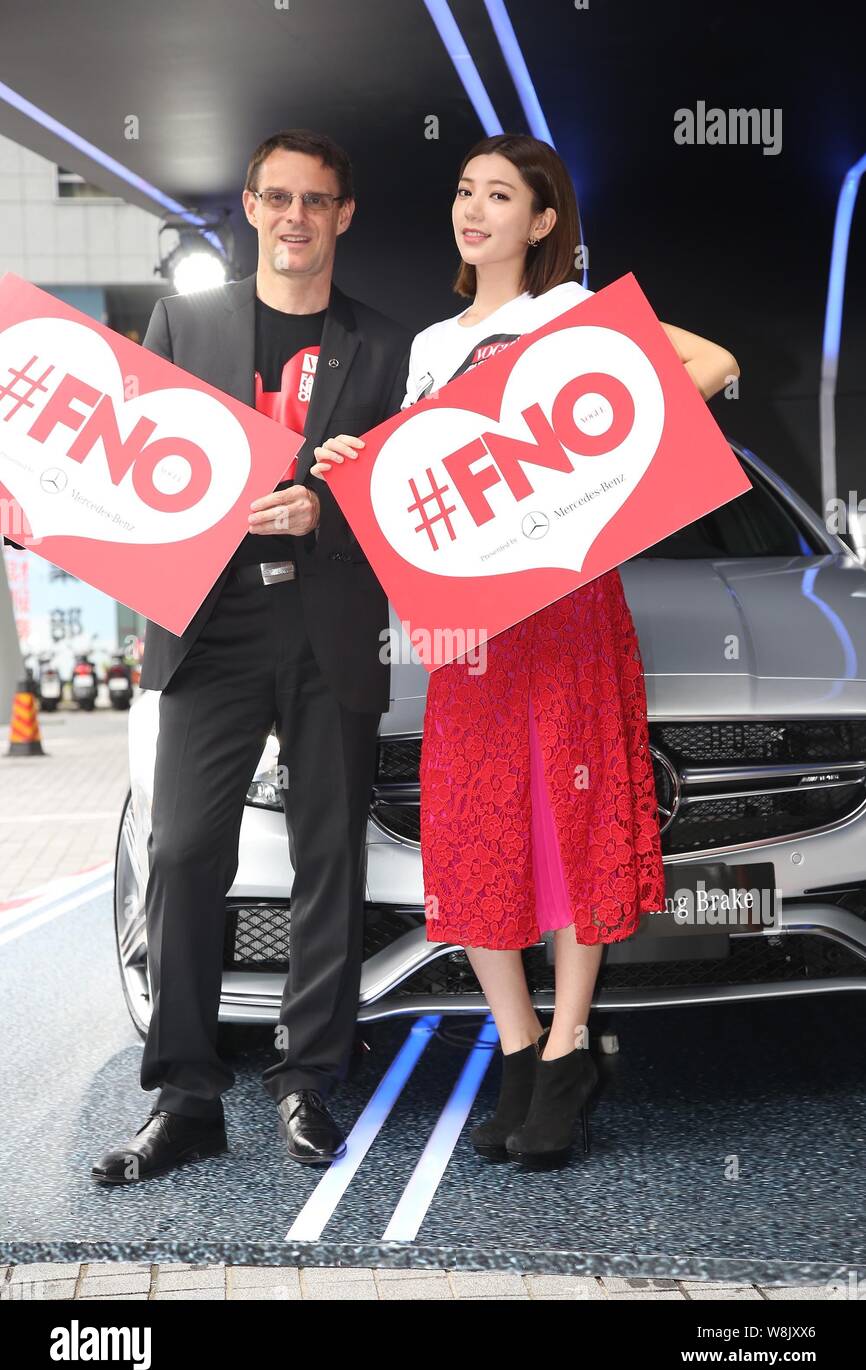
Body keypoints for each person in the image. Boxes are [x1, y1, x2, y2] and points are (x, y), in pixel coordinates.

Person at [311, 132, 740, 1169]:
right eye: (465, 191)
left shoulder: (565, 317)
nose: (474, 209)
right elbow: (420, 479)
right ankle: (514, 1046)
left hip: (564, 603)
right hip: (465, 624)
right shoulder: (425, 345)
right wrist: (354, 459)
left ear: (542, 223)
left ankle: (564, 1048)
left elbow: (713, 364)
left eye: (499, 195)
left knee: (567, 812)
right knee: (474, 825)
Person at [90, 129, 412, 1183]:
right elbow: (124, 467)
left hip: (329, 624)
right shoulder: (183, 321)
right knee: (184, 852)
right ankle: (185, 1096)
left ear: (342, 215)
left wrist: (327, 505)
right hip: (208, 624)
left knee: (330, 860)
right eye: (275, 198)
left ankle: (309, 1079)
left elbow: (404, 507)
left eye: (314, 201)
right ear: (249, 206)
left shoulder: (385, 347)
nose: (292, 217)